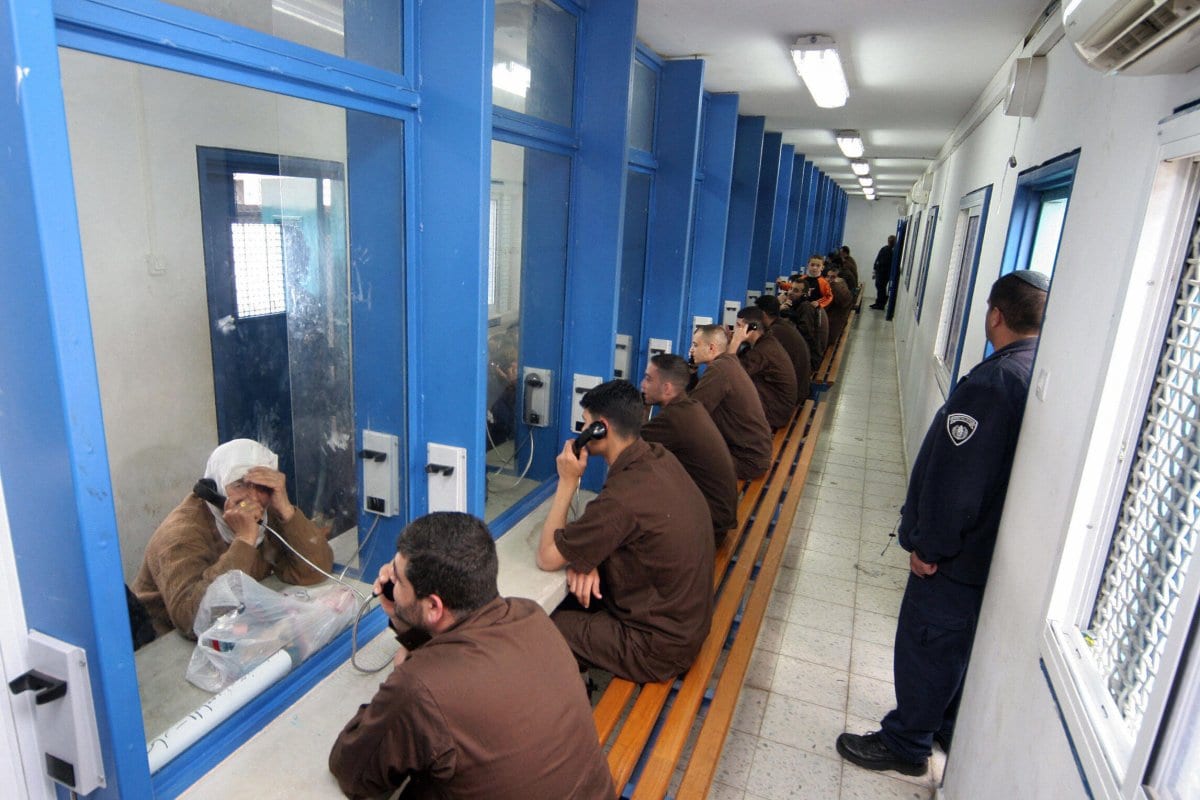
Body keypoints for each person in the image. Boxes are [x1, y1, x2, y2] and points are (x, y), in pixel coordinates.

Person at [835, 271, 1049, 777]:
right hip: (980, 555)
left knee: (927, 644)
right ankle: (940, 723)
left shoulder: (995, 383)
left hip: (953, 559)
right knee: (950, 648)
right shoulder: (1033, 370)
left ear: (995, 315)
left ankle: (906, 742)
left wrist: (929, 546)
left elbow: (959, 486)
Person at [329, 512, 613, 799]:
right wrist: (405, 619)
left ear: (434, 606)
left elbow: (354, 772)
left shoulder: (418, 688)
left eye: (399, 581)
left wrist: (397, 691)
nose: (391, 583)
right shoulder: (530, 614)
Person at [536, 380, 714, 684]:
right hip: (684, 624)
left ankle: (570, 697)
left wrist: (567, 481)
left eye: (586, 423)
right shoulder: (658, 457)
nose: (581, 431)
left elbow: (547, 557)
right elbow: (623, 528)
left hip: (655, 647)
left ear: (601, 429)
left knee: (541, 625)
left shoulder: (622, 498)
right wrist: (588, 557)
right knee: (576, 599)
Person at [132, 439, 333, 638]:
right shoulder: (179, 536)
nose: (253, 498)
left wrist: (286, 511)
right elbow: (193, 620)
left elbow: (315, 571)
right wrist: (244, 539)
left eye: (262, 486)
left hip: (238, 621)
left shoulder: (265, 511)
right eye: (239, 484)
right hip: (164, 641)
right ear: (215, 488)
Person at [640, 353, 739, 544]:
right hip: (719, 515)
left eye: (649, 379)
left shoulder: (673, 420)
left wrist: (639, 408)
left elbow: (628, 447)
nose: (643, 384)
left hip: (709, 525)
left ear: (667, 388)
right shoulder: (690, 406)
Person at [688, 324, 773, 480]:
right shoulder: (728, 362)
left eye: (695, 345)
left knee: (683, 459)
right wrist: (692, 368)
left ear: (711, 348)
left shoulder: (719, 370)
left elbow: (692, 412)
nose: (691, 350)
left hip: (747, 461)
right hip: (754, 454)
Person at [728, 307, 798, 430]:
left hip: (775, 414)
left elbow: (729, 373)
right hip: (779, 406)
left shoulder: (763, 351)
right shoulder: (767, 342)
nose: (736, 330)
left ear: (752, 328)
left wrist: (735, 342)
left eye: (739, 326)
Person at [754, 294, 811, 400]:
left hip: (793, 393)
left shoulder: (775, 332)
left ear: (763, 314)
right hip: (799, 385)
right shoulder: (783, 326)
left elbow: (757, 360)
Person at [824, 262, 855, 347]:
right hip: (834, 327)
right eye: (827, 276)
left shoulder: (837, 290)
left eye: (833, 277)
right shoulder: (843, 288)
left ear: (840, 278)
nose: (829, 279)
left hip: (830, 332)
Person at [871, 235, 896, 309]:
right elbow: (878, 259)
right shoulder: (890, 251)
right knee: (880, 287)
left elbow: (878, 260)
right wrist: (875, 270)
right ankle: (879, 302)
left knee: (880, 287)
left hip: (883, 273)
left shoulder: (889, 251)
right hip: (883, 273)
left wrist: (875, 269)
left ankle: (880, 303)